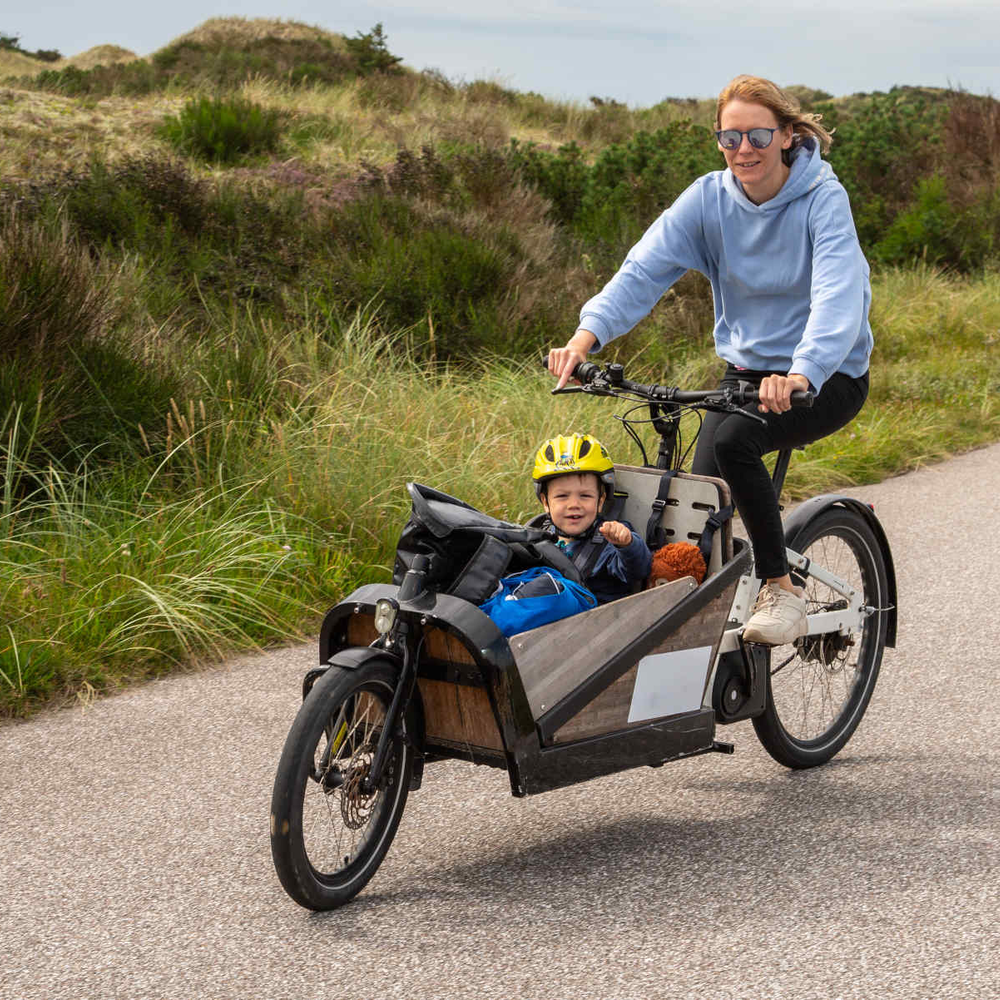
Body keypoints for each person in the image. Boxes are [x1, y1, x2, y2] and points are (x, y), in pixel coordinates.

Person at [546, 74, 872, 645]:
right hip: (746, 374)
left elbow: (838, 295)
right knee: (696, 509)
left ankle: (780, 590)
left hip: (828, 374)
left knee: (734, 443)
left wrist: (802, 372)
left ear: (786, 135)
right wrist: (585, 338)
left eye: (758, 135)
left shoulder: (823, 198)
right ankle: (702, 636)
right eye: (730, 137)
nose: (744, 149)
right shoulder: (708, 199)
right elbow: (644, 269)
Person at [532, 432, 652, 604]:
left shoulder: (608, 538)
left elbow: (637, 570)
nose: (574, 504)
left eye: (585, 496)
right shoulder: (539, 535)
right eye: (562, 496)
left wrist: (627, 544)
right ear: (546, 502)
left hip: (597, 618)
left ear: (600, 501)